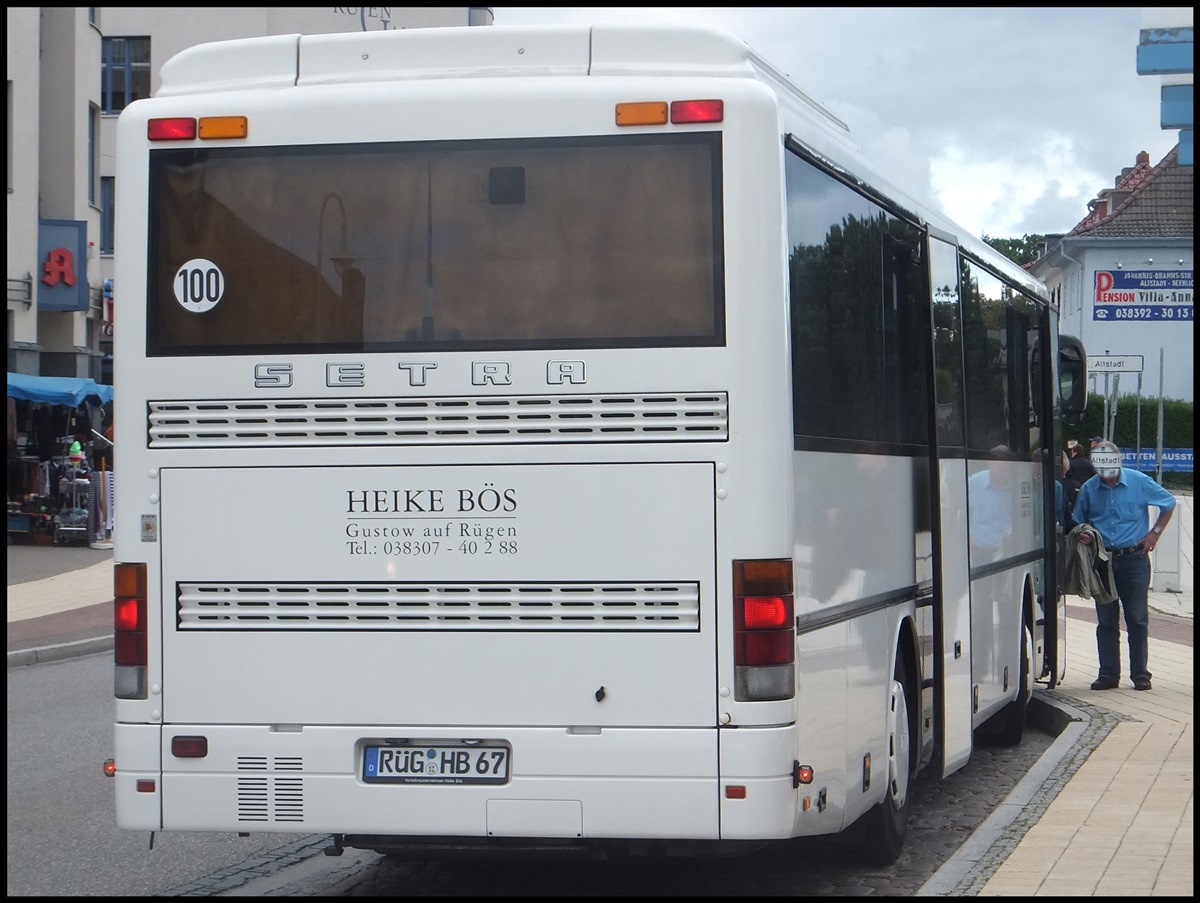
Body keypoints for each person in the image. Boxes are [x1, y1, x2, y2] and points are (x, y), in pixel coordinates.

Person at [1071, 440, 1176, 691]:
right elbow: (1078, 520)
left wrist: (1155, 533)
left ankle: (1140, 674)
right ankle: (1108, 674)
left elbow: (1168, 503)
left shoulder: (1139, 481)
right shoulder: (1089, 489)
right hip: (1103, 560)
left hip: (1133, 559)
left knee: (1137, 619)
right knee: (1106, 620)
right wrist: (1085, 535)